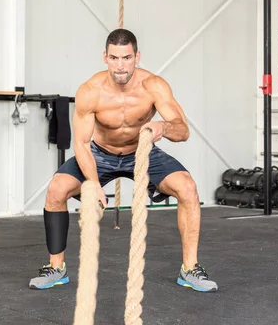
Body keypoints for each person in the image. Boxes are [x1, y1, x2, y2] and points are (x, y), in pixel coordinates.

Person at [28, 29, 217, 293]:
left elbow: (182, 131)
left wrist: (163, 127)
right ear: (105, 57)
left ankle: (190, 268)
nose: (120, 66)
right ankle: (56, 268)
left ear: (137, 56)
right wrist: (93, 184)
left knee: (188, 188)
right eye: (115, 58)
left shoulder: (154, 86)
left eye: (126, 58)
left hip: (142, 152)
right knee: (56, 189)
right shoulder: (90, 91)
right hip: (100, 153)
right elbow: (81, 144)